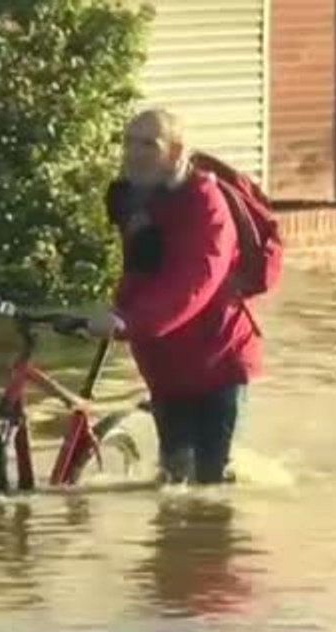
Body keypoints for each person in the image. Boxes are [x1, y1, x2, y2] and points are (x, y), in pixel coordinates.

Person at [88, 109, 262, 485]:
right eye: (128, 142)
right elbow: (140, 271)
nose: (133, 153)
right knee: (171, 481)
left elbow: (193, 283)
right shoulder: (131, 198)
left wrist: (128, 322)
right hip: (164, 363)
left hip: (218, 362)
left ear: (176, 151)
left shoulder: (206, 204)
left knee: (209, 484)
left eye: (148, 144)